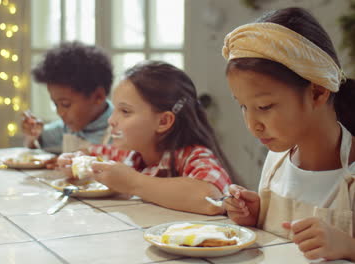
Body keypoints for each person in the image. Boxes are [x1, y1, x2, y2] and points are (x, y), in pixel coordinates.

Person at [222, 7, 355, 261]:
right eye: (243, 106)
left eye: (264, 107)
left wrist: (349, 247)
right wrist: (256, 217)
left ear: (317, 92)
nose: (252, 124)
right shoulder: (276, 164)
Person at [58, 61, 237, 215]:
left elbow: (211, 198)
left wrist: (132, 183)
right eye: (114, 110)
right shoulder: (135, 155)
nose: (112, 120)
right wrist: (76, 160)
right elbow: (93, 151)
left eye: (125, 112)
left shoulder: (193, 156)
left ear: (164, 121)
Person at [22, 41, 113, 152]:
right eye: (56, 104)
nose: (60, 113)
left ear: (98, 96)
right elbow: (36, 142)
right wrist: (32, 134)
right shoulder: (66, 127)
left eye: (66, 104)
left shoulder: (118, 132)